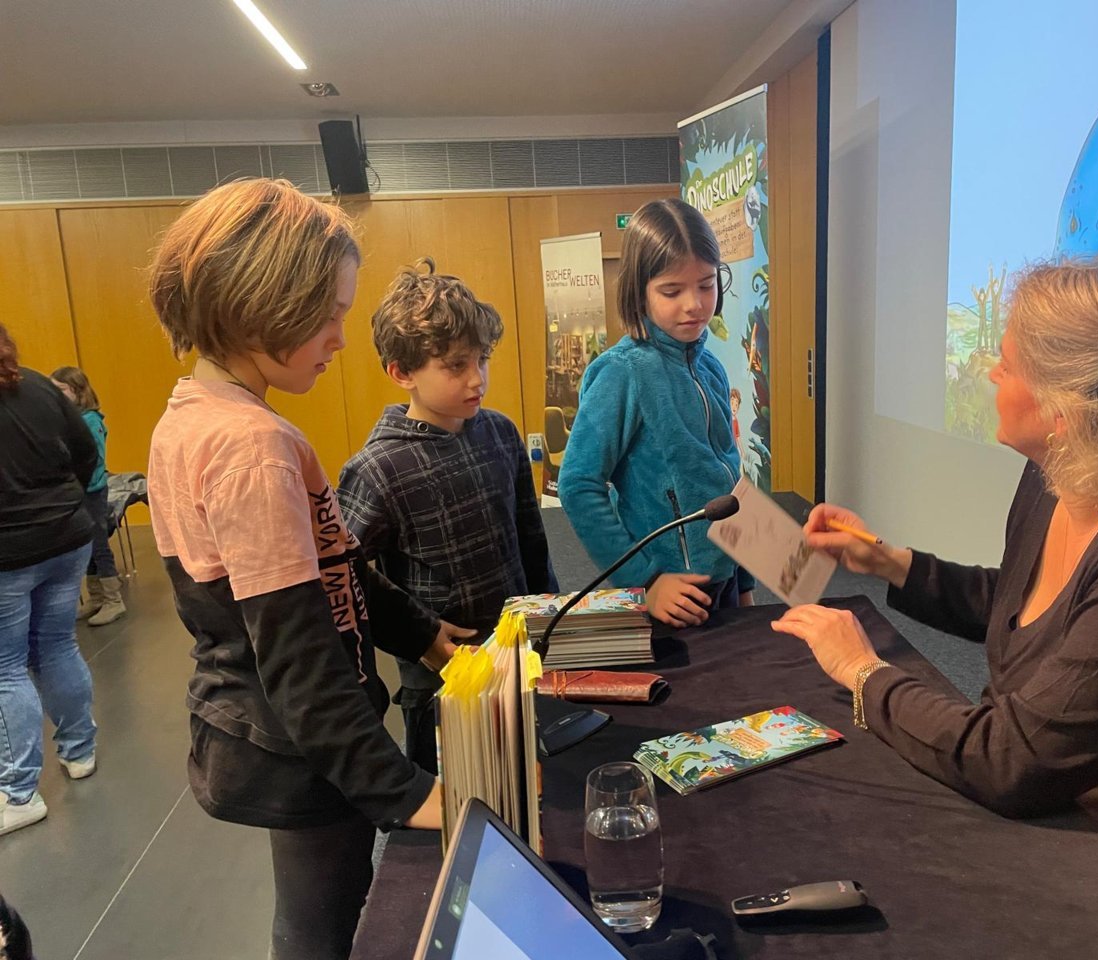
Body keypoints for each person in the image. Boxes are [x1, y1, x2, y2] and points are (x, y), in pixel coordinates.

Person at [773, 257, 1098, 953]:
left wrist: (865, 673)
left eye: (1008, 365)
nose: (991, 374)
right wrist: (891, 562)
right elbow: (1033, 609)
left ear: (1068, 406)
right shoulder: (1061, 473)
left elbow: (1012, 761)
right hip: (1065, 811)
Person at [146, 179, 472, 960]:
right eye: (329, 314)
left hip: (290, 739)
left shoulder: (192, 415)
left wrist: (421, 635)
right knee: (324, 925)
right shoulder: (250, 446)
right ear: (263, 304)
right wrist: (405, 791)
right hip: (307, 750)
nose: (340, 338)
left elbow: (335, 568)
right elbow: (297, 655)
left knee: (315, 912)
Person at [338, 259, 558, 772]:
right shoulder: (377, 468)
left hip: (515, 654)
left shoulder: (500, 433)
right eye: (456, 366)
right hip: (439, 678)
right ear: (402, 372)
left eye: (482, 360)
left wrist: (549, 614)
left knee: (526, 782)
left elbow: (530, 537)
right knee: (451, 803)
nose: (477, 379)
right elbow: (342, 574)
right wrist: (417, 636)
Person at [558, 199, 753, 627]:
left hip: (723, 578)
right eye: (672, 291)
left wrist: (744, 580)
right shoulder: (622, 373)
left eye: (706, 285)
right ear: (639, 291)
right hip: (668, 591)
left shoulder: (711, 367)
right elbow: (577, 485)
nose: (694, 304)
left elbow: (728, 480)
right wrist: (645, 580)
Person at [0, 324, 99, 837]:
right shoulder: (38, 384)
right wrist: (63, 503)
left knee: (6, 668)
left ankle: (18, 794)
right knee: (57, 646)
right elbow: (86, 451)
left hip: (9, 555)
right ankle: (80, 752)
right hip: (67, 537)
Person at [50, 366, 126, 625]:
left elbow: (93, 458)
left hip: (91, 491)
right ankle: (96, 597)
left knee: (99, 544)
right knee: (86, 546)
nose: (56, 395)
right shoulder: (69, 420)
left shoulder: (91, 421)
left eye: (61, 389)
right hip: (78, 491)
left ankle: (114, 599)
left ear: (77, 390)